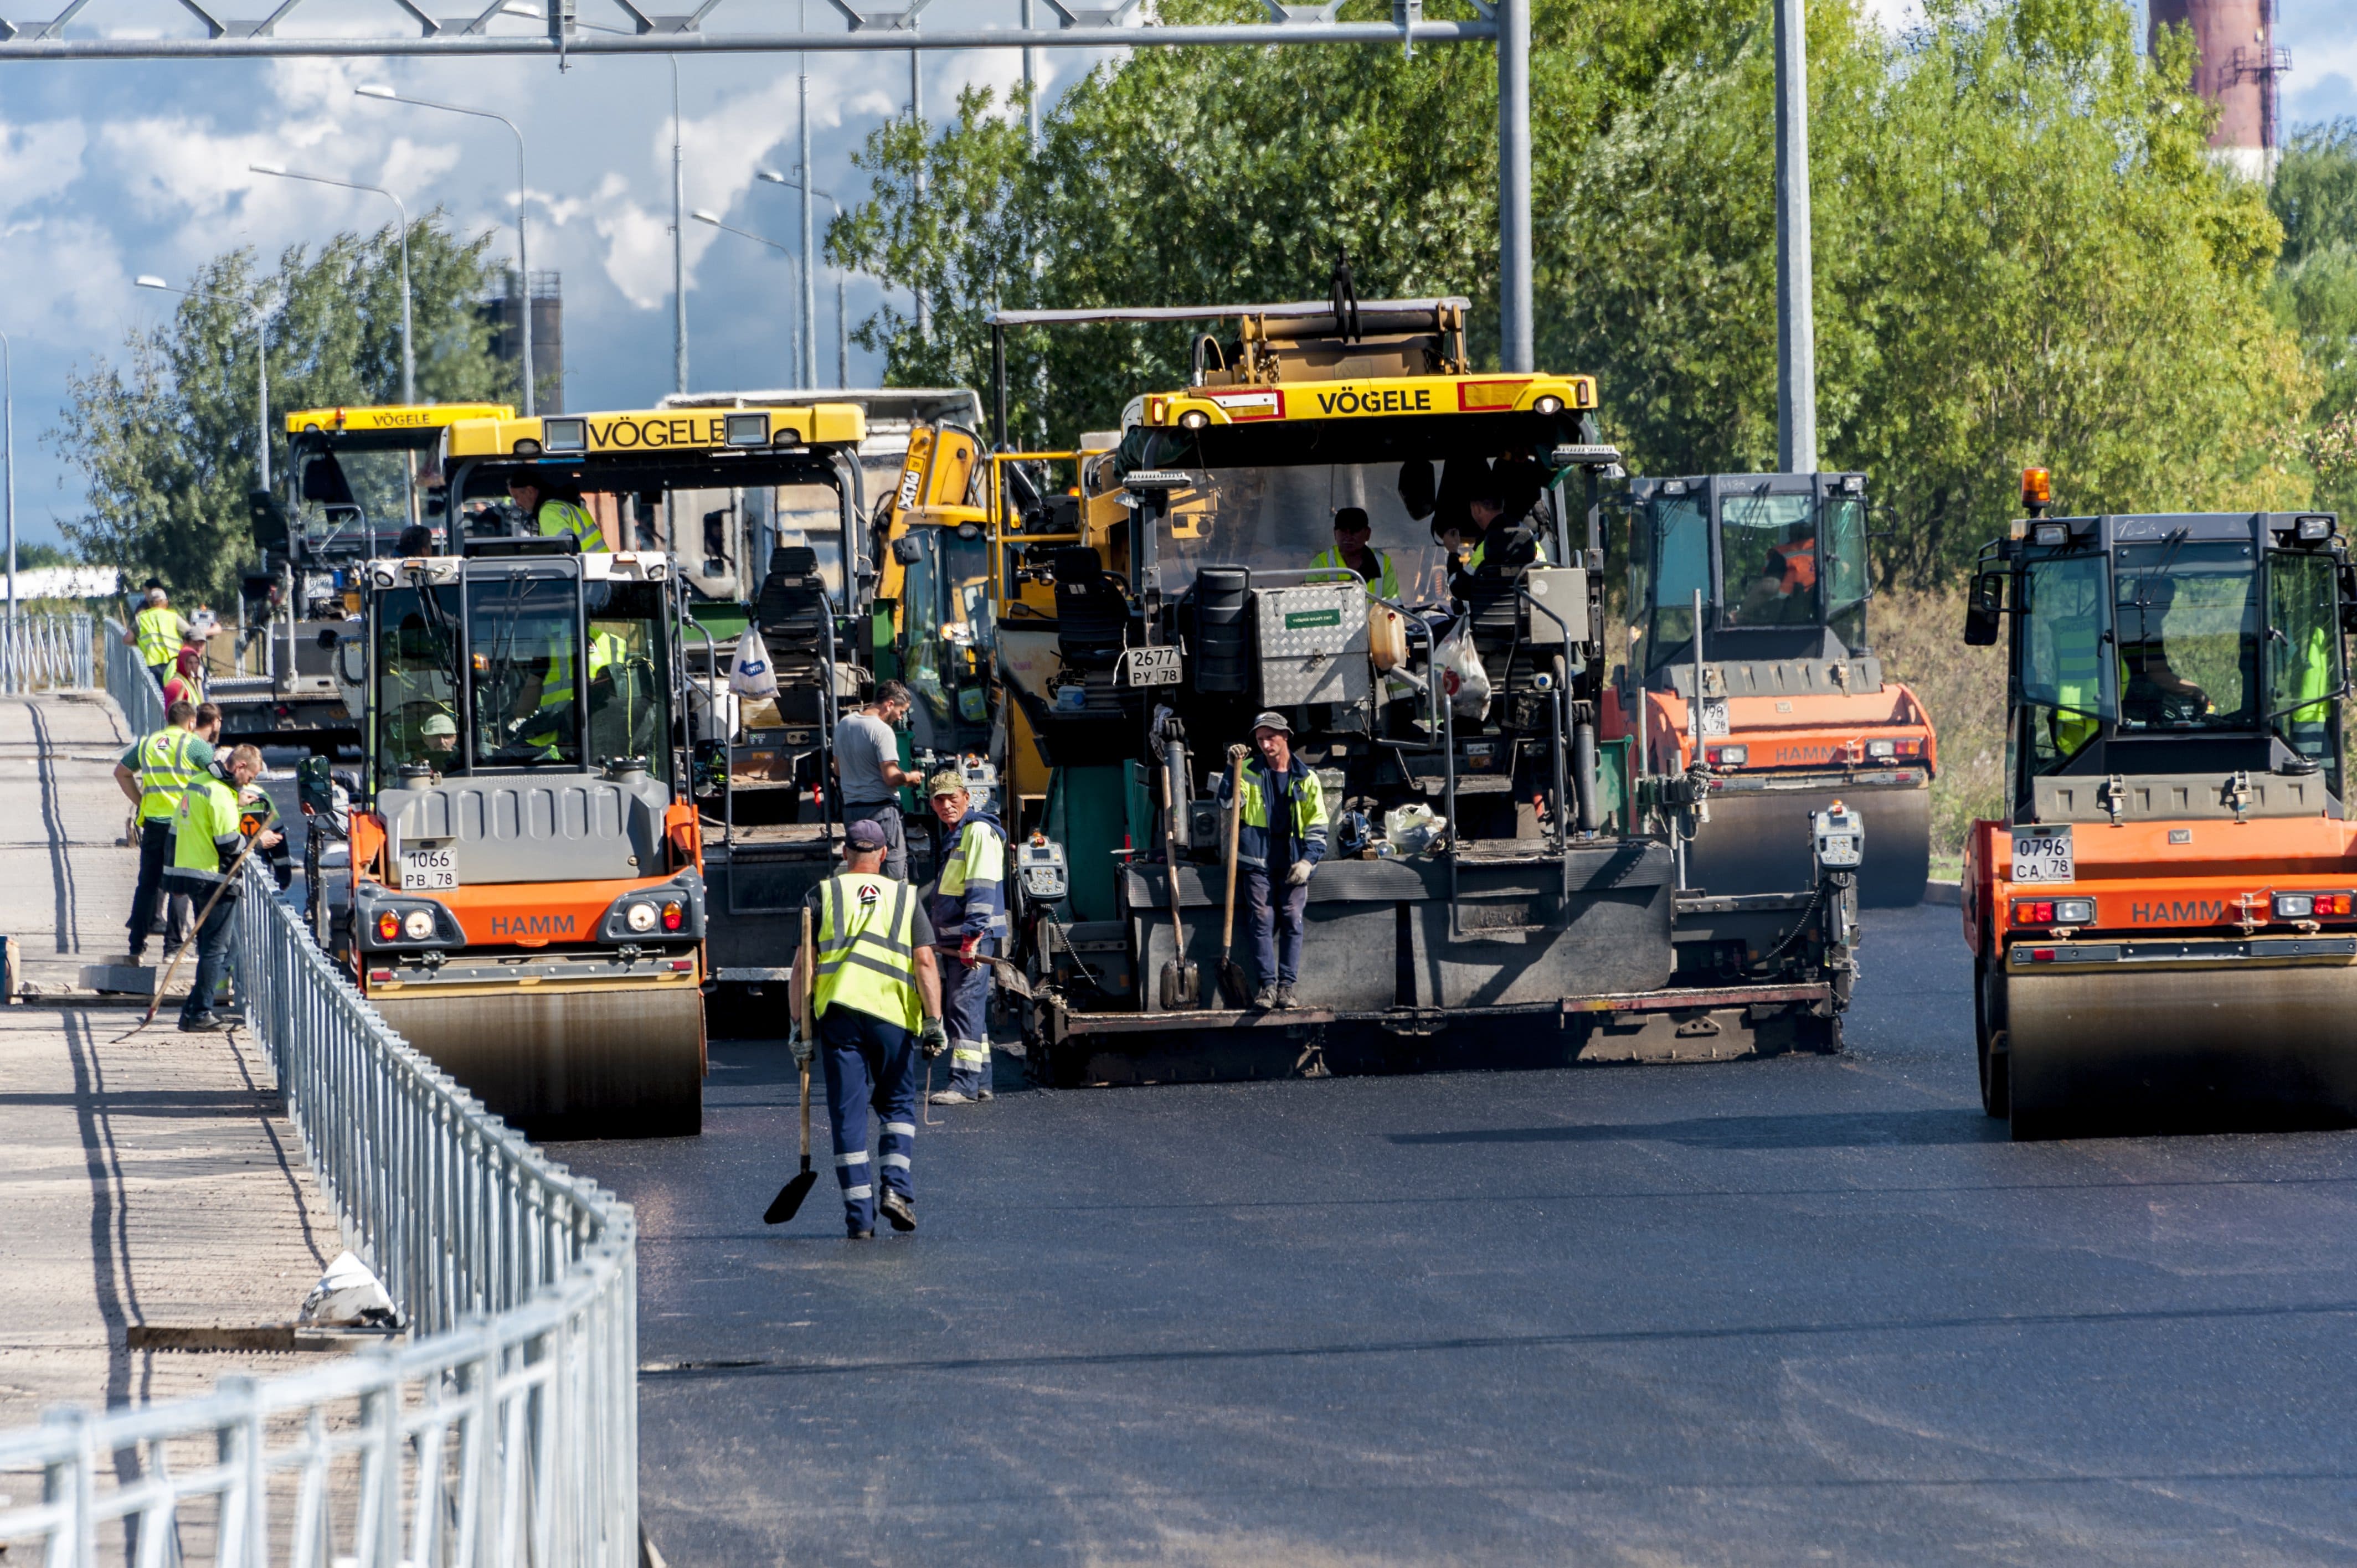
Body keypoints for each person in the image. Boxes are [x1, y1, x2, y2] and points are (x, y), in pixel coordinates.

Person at [787, 817, 949, 1239]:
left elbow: (804, 966)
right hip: (892, 1017)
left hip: (840, 1016)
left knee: (848, 1114)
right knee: (897, 1106)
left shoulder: (821, 894)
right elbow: (925, 962)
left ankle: (859, 1219)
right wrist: (934, 1020)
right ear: (883, 855)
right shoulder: (905, 897)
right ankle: (896, 1189)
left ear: (845, 853)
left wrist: (798, 1027)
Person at [1214, 710, 1329, 1010]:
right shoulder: (1248, 771)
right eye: (1260, 739)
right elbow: (1227, 802)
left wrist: (1308, 862)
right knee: (1262, 918)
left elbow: (1317, 826)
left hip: (1293, 862)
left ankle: (1286, 988)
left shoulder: (1307, 779)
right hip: (1257, 861)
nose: (1265, 745)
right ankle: (1267, 987)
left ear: (1286, 736)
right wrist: (1231, 768)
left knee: (1292, 917)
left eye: (1271, 738)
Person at [164, 742, 281, 1031]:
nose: (249, 783)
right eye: (250, 776)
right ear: (240, 766)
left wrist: (235, 803)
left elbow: (184, 825)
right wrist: (259, 840)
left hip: (193, 873)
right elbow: (228, 842)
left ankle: (192, 1010)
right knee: (218, 950)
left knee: (221, 947)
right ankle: (200, 1012)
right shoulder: (220, 793)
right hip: (216, 877)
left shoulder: (201, 783)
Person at [922, 769, 1008, 1107]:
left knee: (962, 1007)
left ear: (967, 798)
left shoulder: (978, 832)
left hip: (971, 939)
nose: (946, 805)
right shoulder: (960, 833)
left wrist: (972, 937)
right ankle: (981, 1081)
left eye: (952, 798)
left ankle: (964, 1085)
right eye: (939, 800)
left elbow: (982, 888)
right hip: (960, 937)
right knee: (969, 1009)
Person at [113, 698, 215, 963]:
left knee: (148, 884)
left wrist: (141, 801)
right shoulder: (194, 745)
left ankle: (136, 947)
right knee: (180, 884)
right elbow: (218, 777)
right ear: (191, 722)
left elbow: (121, 772)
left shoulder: (148, 744)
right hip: (183, 824)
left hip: (154, 824)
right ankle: (173, 949)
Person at [834, 680, 922, 881]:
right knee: (892, 875)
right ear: (889, 704)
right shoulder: (882, 731)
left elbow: (838, 770)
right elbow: (891, 777)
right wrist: (910, 777)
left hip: (852, 812)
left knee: (860, 872)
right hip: (882, 813)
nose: (900, 717)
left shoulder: (844, 725)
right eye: (901, 711)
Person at [124, 585, 204, 691]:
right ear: (165, 602)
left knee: (158, 695)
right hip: (174, 663)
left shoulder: (141, 619)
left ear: (150, 604)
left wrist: (139, 642)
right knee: (175, 692)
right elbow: (191, 632)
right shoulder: (172, 616)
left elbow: (127, 639)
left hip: (153, 666)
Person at [1310, 507, 1399, 600]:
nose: (1348, 536)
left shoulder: (1383, 563)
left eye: (1355, 530)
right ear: (1335, 534)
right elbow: (1312, 603)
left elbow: (1393, 605)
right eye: (1343, 530)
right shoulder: (1320, 564)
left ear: (1367, 534)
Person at [509, 474, 604, 550]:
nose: (517, 504)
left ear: (530, 491)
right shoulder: (563, 505)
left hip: (586, 568)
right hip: (597, 566)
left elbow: (566, 549)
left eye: (517, 497)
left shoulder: (548, 512)